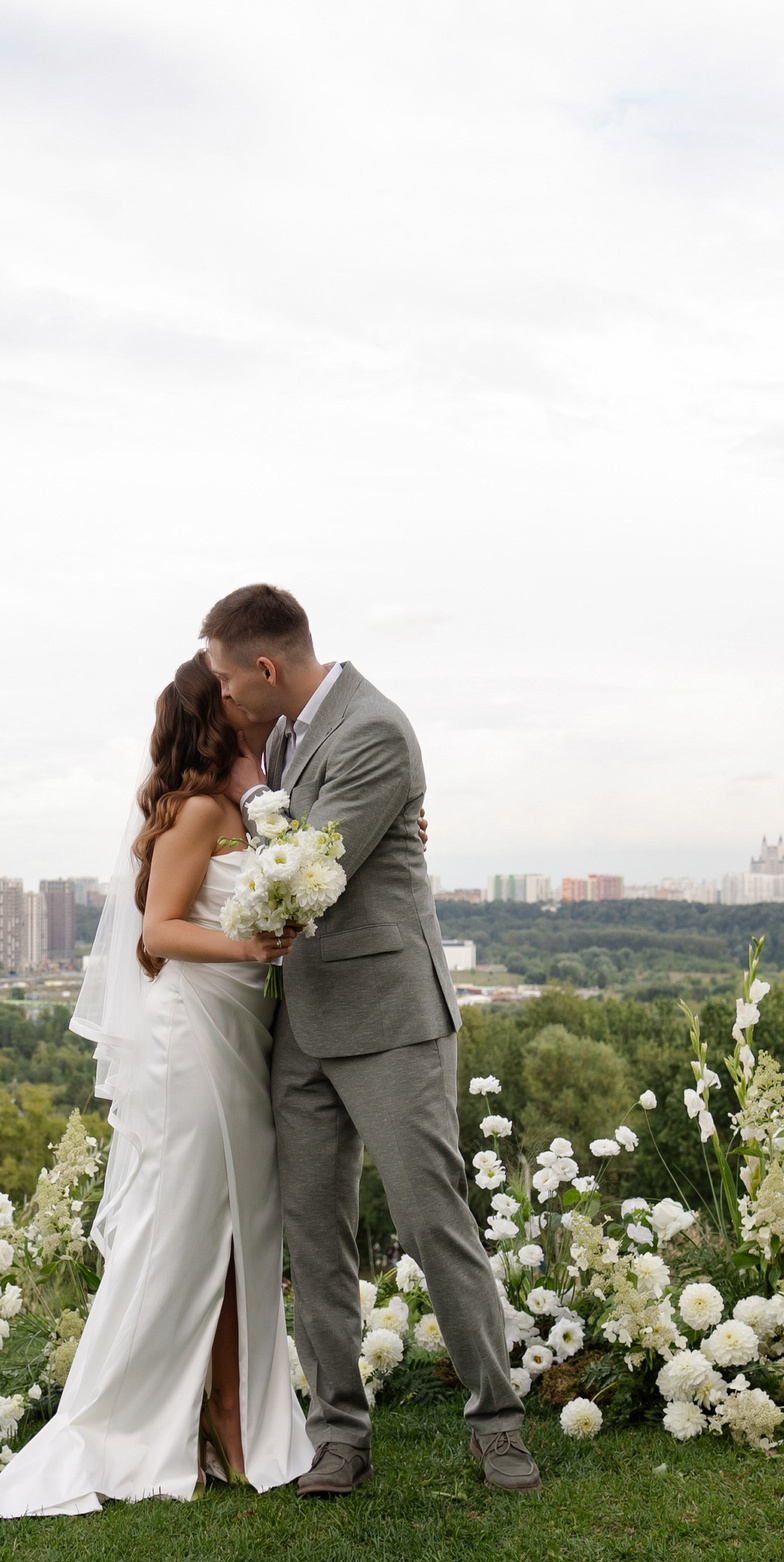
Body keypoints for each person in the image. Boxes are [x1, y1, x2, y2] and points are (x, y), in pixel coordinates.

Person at [0, 655, 315, 1516]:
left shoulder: (248, 807)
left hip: (237, 1030)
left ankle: (230, 1412)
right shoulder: (193, 812)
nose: (244, 705)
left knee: (235, 1230)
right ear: (213, 716)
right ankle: (145, 1420)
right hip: (195, 1035)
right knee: (183, 1227)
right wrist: (253, 947)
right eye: (228, 697)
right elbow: (161, 929)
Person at [202, 583, 541, 1496]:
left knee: (434, 1220)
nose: (227, 696)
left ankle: (497, 1422)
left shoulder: (373, 728)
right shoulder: (278, 734)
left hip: (389, 1019)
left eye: (231, 678)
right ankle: (340, 1434)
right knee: (314, 1231)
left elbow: (308, 868)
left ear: (268, 667)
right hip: (302, 1023)